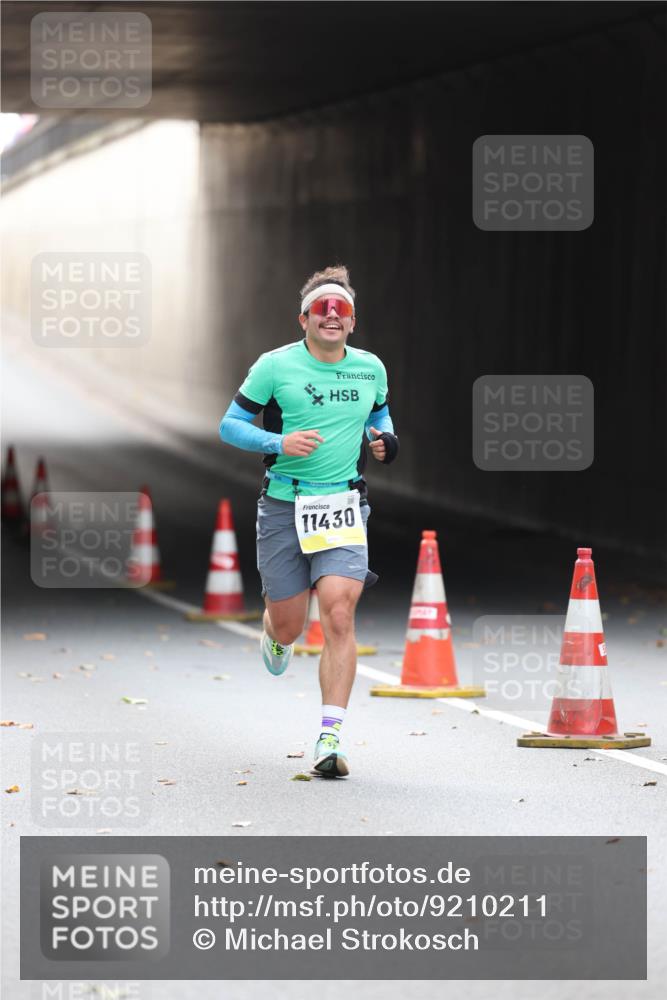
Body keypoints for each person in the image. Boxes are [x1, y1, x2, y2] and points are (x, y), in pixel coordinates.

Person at [219, 265, 398, 777]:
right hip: (283, 505)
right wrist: (278, 443)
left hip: (343, 506)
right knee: (293, 623)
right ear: (304, 319)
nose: (332, 315)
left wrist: (386, 440)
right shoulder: (274, 368)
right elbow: (229, 425)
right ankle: (275, 630)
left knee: (339, 613)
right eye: (322, 308)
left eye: (341, 310)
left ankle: (329, 738)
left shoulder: (370, 369)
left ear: (353, 322)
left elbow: (380, 415)